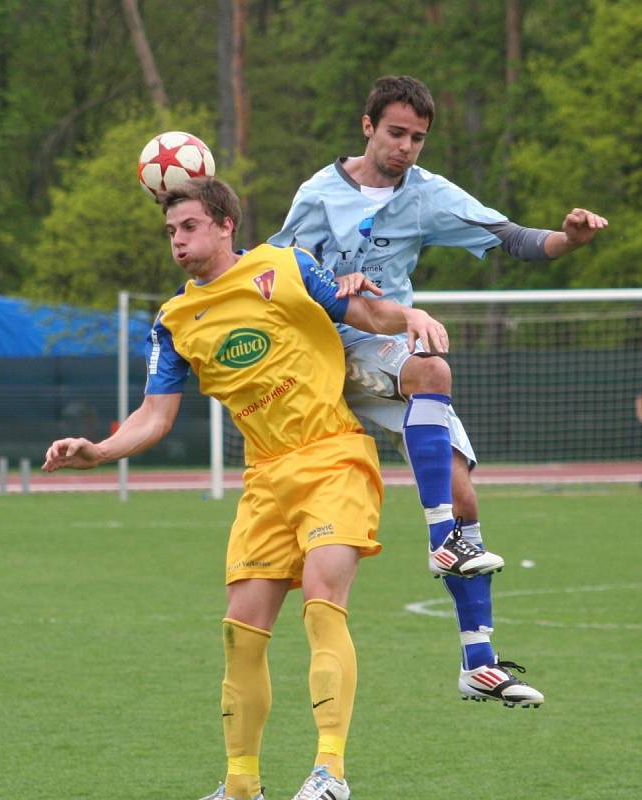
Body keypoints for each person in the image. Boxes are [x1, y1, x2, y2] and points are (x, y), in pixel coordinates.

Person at [42, 176, 451, 800]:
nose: (178, 241)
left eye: (189, 227)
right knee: (240, 631)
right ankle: (241, 786)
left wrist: (409, 313)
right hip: (264, 478)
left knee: (322, 601)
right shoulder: (175, 319)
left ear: (225, 224)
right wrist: (98, 450)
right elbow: (155, 416)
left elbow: (359, 310)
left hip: (332, 457)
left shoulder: (284, 265)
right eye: (171, 231)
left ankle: (330, 773)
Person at [270, 74, 609, 708]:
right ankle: (439, 544)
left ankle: (477, 662)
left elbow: (514, 238)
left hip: (385, 344)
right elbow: (280, 271)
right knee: (434, 371)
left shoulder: (426, 196)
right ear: (367, 126)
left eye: (418, 138)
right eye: (395, 132)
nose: (405, 147)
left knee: (464, 495)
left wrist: (570, 239)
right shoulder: (316, 195)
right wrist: (324, 287)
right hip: (324, 353)